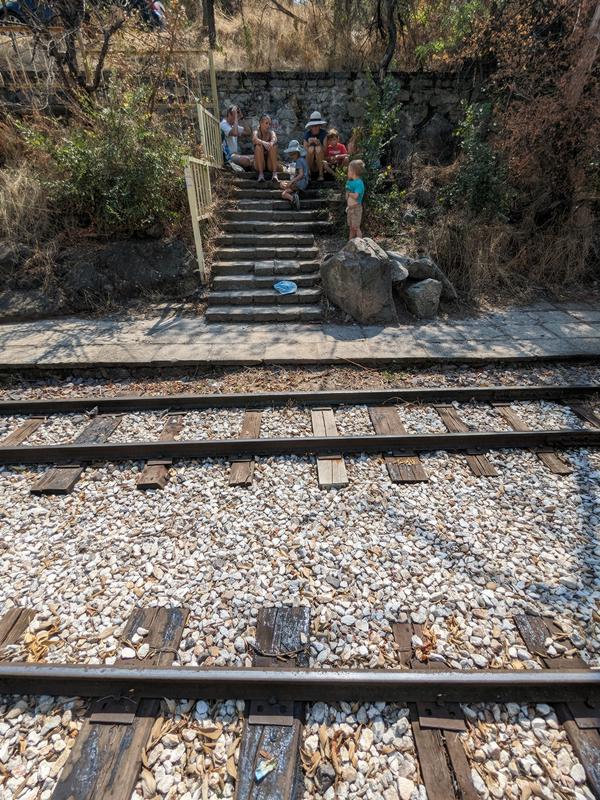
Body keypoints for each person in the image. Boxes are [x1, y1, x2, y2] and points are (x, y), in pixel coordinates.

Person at [281, 140, 309, 211]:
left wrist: (292, 181)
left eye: (292, 154)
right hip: (304, 182)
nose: (291, 156)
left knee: (283, 193)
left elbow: (301, 174)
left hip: (301, 183)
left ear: (297, 153)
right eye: (290, 154)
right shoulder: (302, 160)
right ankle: (295, 194)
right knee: (283, 184)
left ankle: (293, 199)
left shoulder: (299, 161)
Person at [253, 114, 279, 183]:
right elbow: (255, 139)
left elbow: (274, 138)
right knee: (258, 147)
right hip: (259, 164)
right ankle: (261, 174)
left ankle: (274, 173)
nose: (268, 126)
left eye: (270, 124)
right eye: (266, 123)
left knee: (273, 146)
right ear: (261, 123)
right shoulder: (256, 132)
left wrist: (272, 142)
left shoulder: (271, 132)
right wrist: (263, 143)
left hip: (269, 164)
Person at [303, 110, 327, 181]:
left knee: (318, 148)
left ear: (319, 125)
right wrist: (308, 144)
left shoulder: (324, 134)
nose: (315, 127)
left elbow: (325, 151)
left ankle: (321, 174)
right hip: (310, 163)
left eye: (317, 125)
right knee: (311, 149)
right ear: (310, 126)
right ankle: (308, 173)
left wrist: (320, 143)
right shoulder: (307, 134)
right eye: (313, 126)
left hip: (320, 162)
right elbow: (304, 152)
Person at [346, 159, 365, 239]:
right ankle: (350, 245)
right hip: (350, 208)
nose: (347, 173)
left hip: (356, 208)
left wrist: (349, 193)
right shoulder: (350, 182)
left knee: (356, 227)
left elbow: (356, 196)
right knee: (351, 228)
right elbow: (346, 195)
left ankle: (361, 245)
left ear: (353, 172)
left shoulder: (359, 183)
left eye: (348, 171)